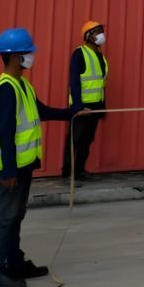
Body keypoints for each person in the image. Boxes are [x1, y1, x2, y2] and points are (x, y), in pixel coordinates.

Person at [0, 28, 87, 287]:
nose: (32, 56)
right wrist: (9, 170)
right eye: (28, 52)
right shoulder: (7, 89)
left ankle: (15, 263)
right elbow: (6, 133)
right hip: (12, 168)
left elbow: (40, 111)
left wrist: (72, 113)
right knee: (4, 218)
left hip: (24, 164)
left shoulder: (22, 84)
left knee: (16, 216)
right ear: (16, 56)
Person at [62, 21, 108, 180]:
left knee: (87, 139)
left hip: (96, 105)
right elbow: (74, 81)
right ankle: (68, 172)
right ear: (88, 36)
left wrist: (103, 106)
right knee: (75, 138)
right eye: (96, 32)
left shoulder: (100, 55)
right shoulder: (80, 53)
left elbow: (100, 83)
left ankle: (80, 170)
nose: (101, 34)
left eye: (101, 31)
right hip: (82, 105)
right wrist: (77, 106)